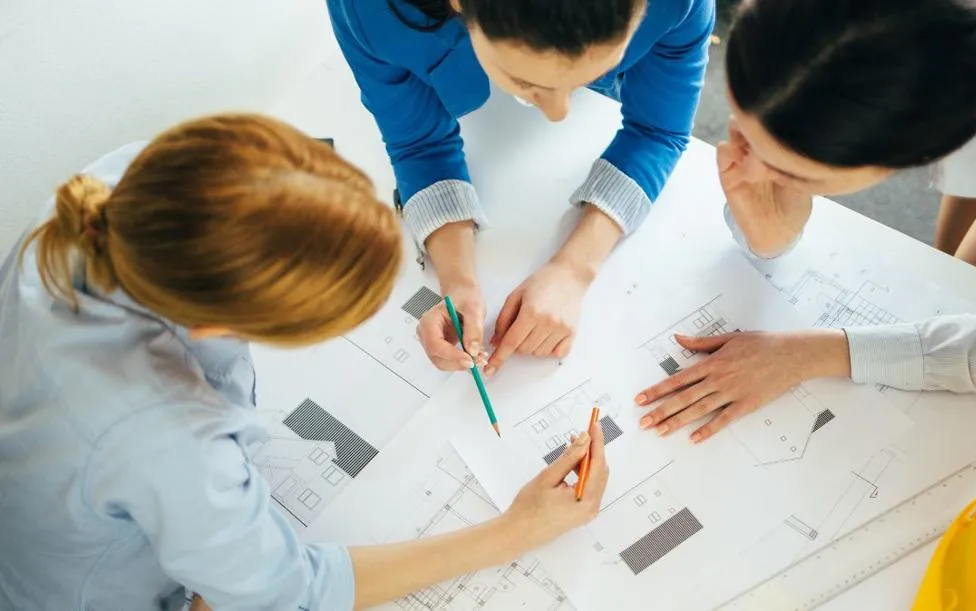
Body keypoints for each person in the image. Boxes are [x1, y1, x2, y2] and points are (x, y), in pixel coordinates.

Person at [0, 113, 609, 611]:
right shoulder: (164, 437)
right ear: (215, 323)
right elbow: (291, 595)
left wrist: (454, 279)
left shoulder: (134, 189)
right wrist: (513, 532)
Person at [635, 0, 976, 442]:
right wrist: (768, 230)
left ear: (921, 153)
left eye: (793, 171)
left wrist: (804, 354)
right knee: (959, 282)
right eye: (740, 129)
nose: (745, 168)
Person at [326, 0, 714, 375]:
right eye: (526, 83)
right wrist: (457, 279)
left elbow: (658, 131)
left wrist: (574, 269)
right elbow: (418, 145)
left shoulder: (677, 3)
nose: (558, 114)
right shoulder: (370, 11)